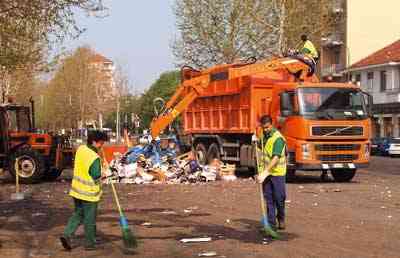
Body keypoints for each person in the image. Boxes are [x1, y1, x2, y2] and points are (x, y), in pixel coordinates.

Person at [60, 130, 108, 251]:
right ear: (94, 142)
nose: (102, 145)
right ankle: (90, 244)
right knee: (89, 219)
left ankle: (67, 234)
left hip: (76, 191)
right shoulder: (94, 157)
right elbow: (96, 175)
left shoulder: (81, 149)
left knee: (78, 214)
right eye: (101, 143)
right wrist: (106, 173)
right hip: (89, 193)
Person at [257, 115, 287, 235]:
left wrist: (265, 172)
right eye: (263, 128)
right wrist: (255, 140)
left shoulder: (278, 139)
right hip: (267, 173)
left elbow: (275, 158)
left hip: (277, 173)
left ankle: (281, 217)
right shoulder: (263, 136)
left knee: (279, 198)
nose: (265, 130)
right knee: (269, 198)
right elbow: (259, 150)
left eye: (267, 127)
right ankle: (271, 225)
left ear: (272, 124)